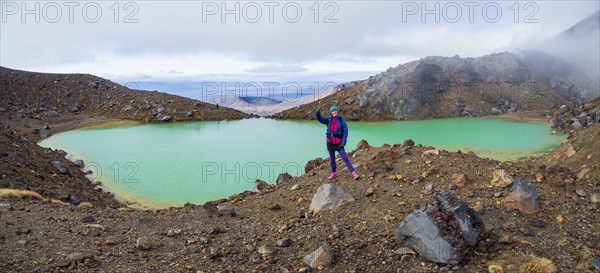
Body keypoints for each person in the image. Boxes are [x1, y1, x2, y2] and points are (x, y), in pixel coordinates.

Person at [316, 106, 359, 180]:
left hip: (339, 144)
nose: (334, 112)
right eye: (332, 111)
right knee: (332, 159)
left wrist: (343, 142)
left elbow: (345, 132)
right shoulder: (328, 119)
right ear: (331, 112)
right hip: (330, 143)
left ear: (337, 111)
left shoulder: (341, 120)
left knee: (345, 158)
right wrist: (317, 112)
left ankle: (354, 173)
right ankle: (334, 173)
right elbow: (320, 119)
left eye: (335, 111)